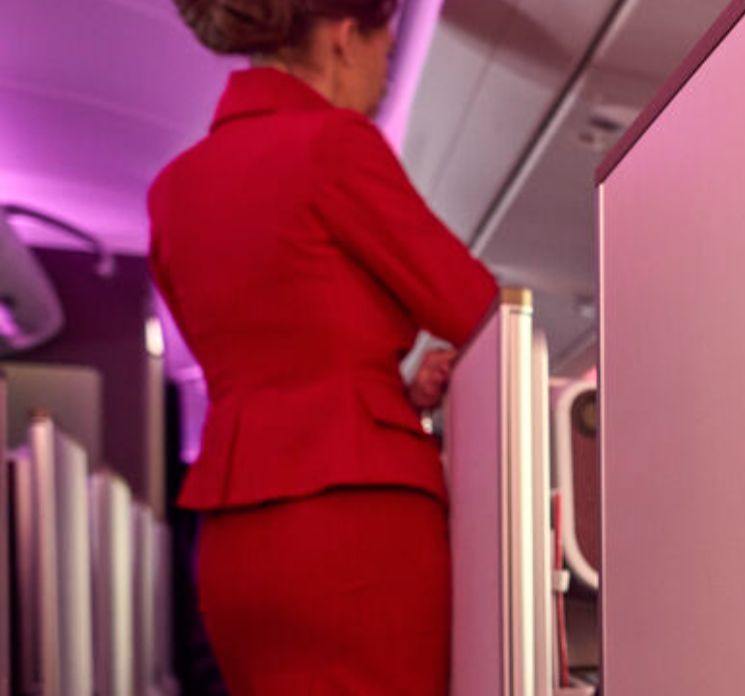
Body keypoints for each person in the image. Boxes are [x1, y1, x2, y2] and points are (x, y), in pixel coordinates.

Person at [150, 0, 498, 692]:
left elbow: (268, 368)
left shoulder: (172, 191)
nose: (384, 80)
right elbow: (480, 309)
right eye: (387, 56)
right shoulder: (333, 143)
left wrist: (393, 396)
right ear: (345, 39)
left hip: (235, 547)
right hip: (356, 536)